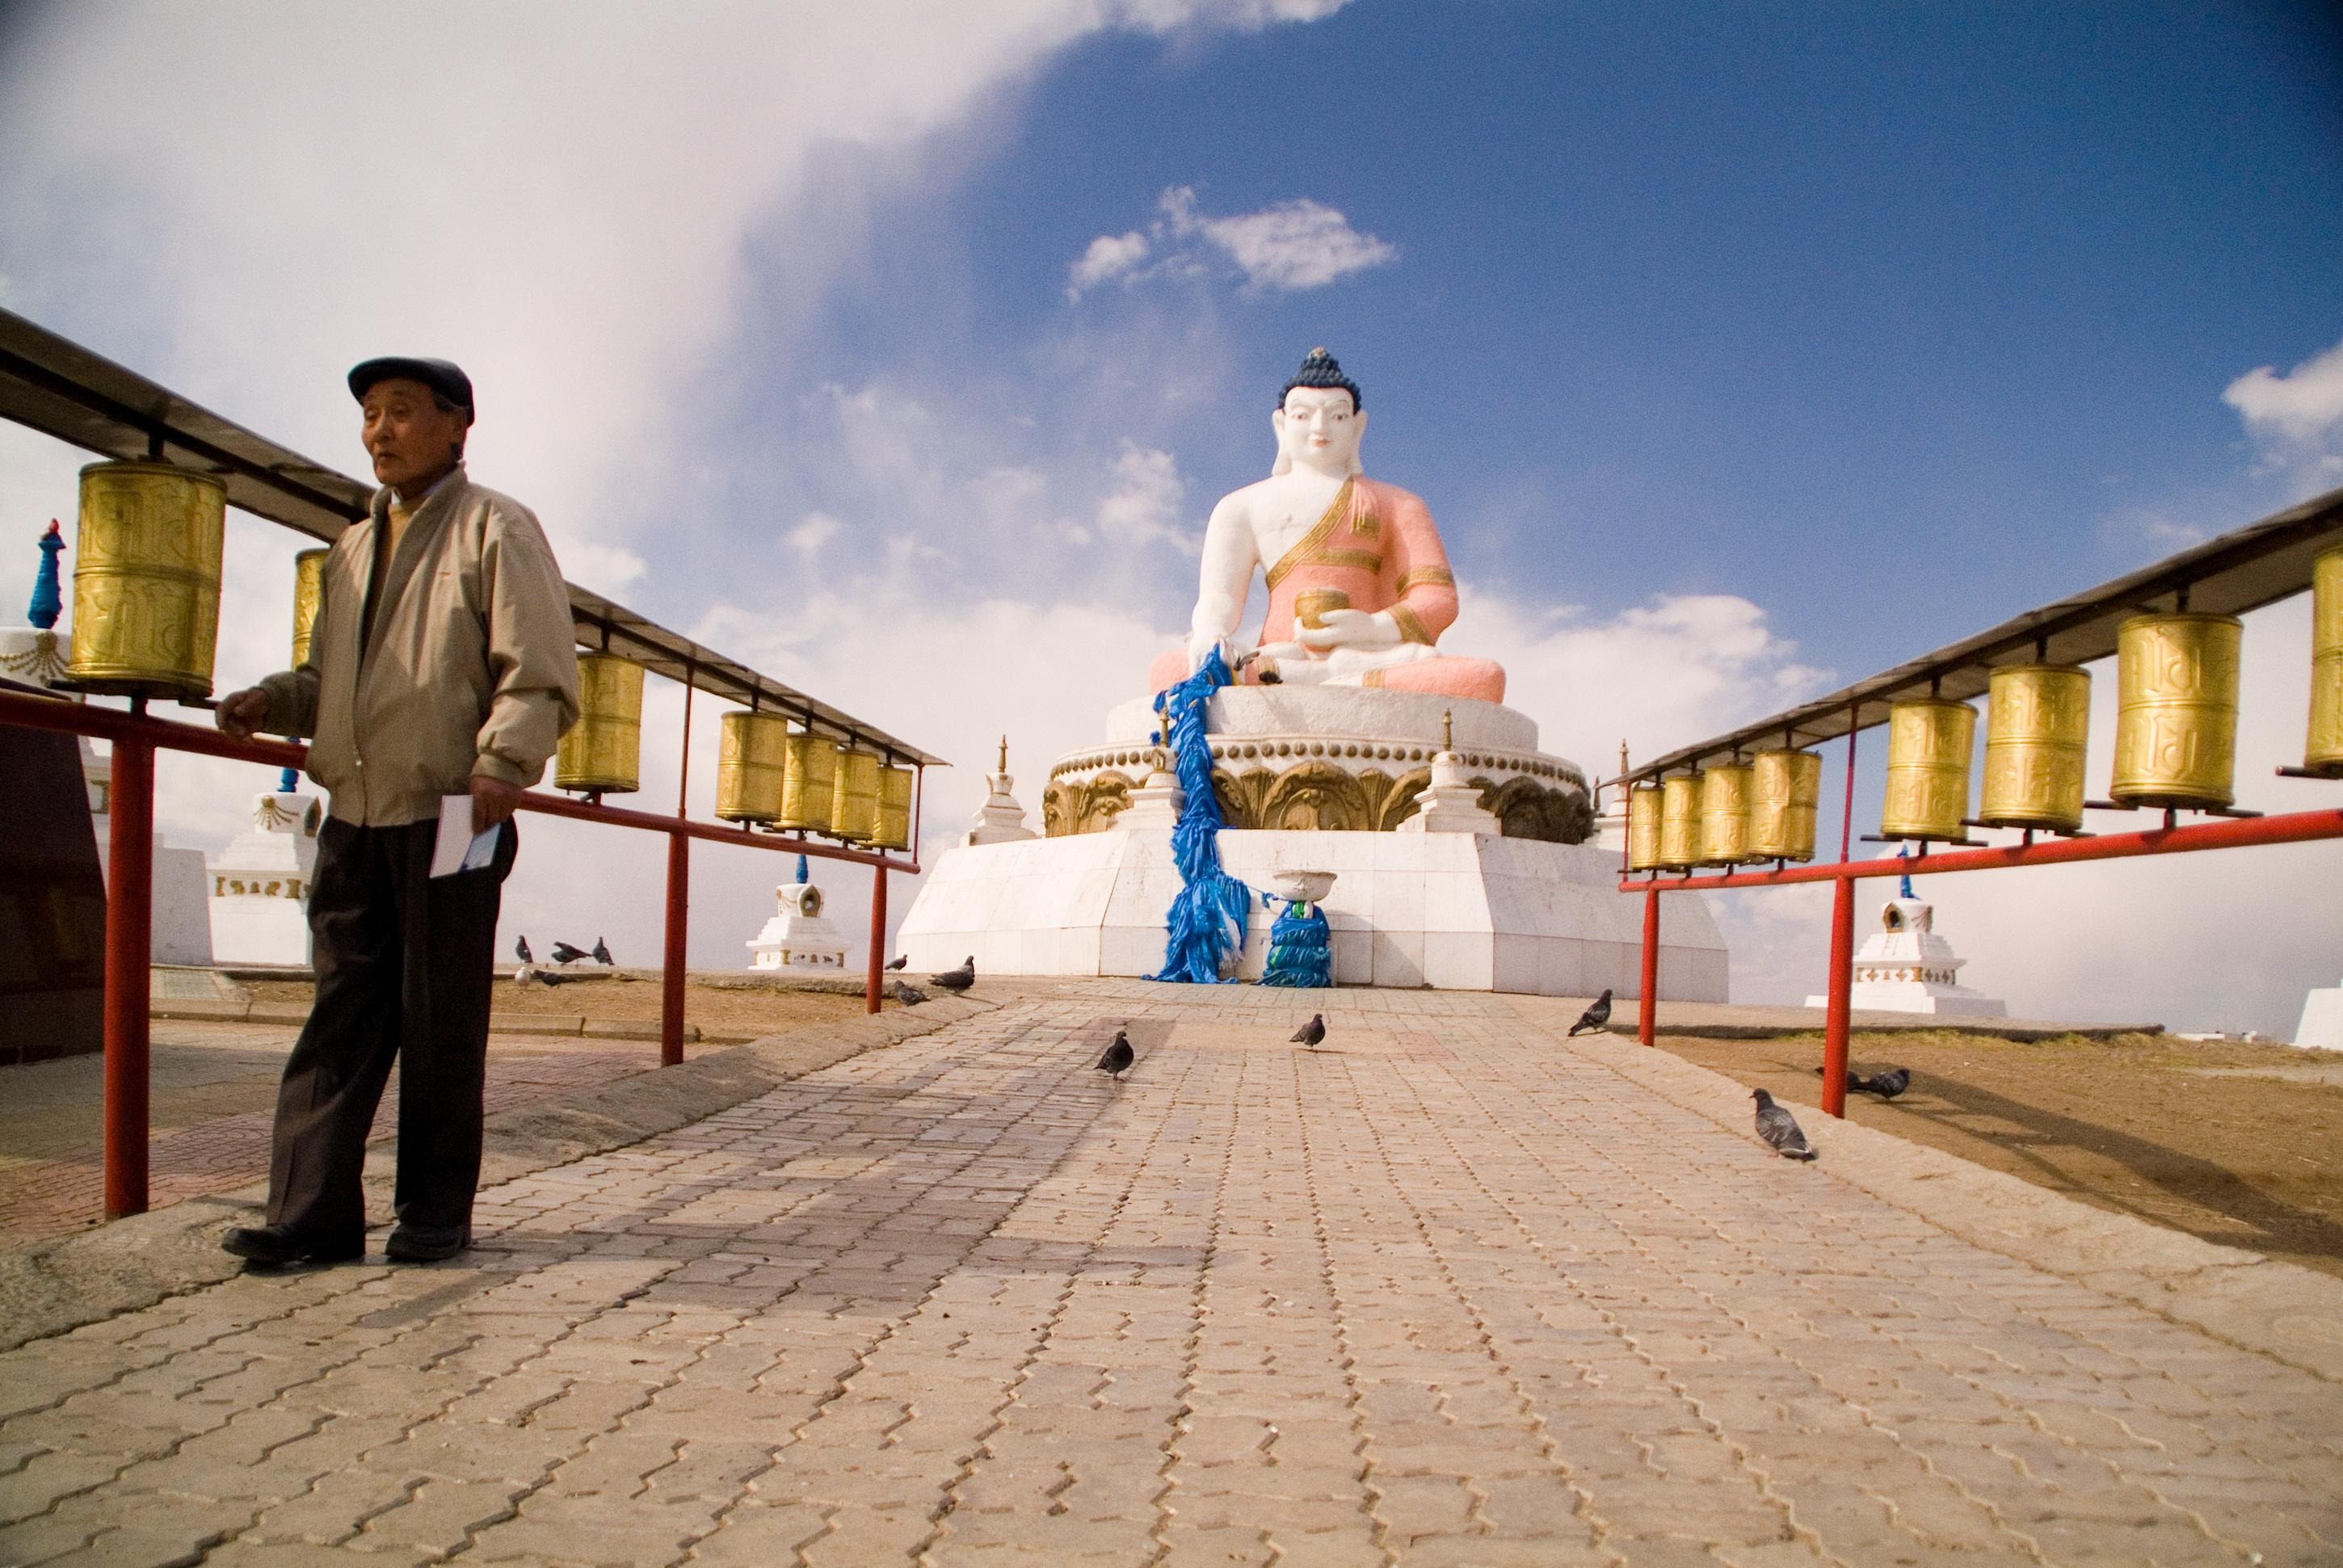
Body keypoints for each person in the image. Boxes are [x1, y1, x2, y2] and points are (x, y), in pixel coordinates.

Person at [215, 356, 578, 1265]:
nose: (381, 431)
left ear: (459, 426)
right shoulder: (347, 550)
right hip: (356, 813)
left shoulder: (497, 527)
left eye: (403, 412)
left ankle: (433, 1212)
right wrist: (277, 700)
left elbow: (538, 671)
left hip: (455, 810)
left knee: (440, 1016)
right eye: (371, 414)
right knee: (339, 1015)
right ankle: (311, 1218)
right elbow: (328, 679)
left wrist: (502, 764)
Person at [1145, 347, 1506, 703]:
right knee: (1172, 670)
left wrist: (1373, 627)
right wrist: (1210, 634)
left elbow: (1437, 599)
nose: (1319, 428)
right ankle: (1338, 682)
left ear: (1357, 425)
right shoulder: (1241, 506)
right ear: (1281, 425)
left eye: (1336, 417)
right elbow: (1218, 598)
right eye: (1303, 416)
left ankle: (1338, 678)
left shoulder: (1398, 505)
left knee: (1484, 677)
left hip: (1370, 655)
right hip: (1280, 657)